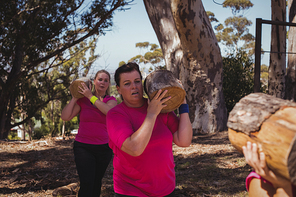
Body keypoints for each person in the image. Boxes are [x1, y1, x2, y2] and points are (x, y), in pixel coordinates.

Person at [106, 62, 193, 197]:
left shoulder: (159, 106)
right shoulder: (116, 115)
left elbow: (184, 141)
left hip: (166, 189)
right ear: (118, 89)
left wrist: (182, 102)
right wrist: (151, 114)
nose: (134, 86)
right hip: (131, 191)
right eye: (127, 83)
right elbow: (134, 148)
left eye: (137, 81)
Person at [61, 70, 117, 197]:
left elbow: (109, 112)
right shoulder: (83, 101)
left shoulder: (111, 100)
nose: (102, 82)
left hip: (104, 148)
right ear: (94, 82)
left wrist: (90, 97)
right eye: (100, 79)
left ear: (109, 84)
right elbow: (65, 117)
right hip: (83, 147)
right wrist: (75, 98)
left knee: (96, 183)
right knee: (87, 183)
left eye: (106, 80)